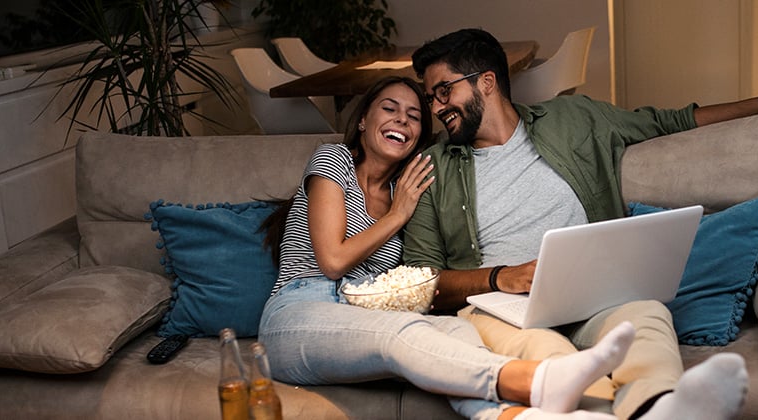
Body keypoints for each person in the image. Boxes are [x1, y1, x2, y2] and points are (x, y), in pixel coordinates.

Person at [404, 28, 758, 420]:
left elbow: (670, 121)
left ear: (486, 81)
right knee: (548, 352)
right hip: (502, 310)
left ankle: (660, 407)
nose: (436, 108)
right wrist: (501, 277)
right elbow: (419, 282)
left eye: (443, 91)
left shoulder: (573, 118)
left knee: (646, 316)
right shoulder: (432, 168)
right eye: (430, 98)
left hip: (593, 297)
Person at [257, 75, 641, 420]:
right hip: (299, 311)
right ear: (362, 121)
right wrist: (397, 215)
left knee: (458, 333)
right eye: (389, 109)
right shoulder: (334, 159)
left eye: (413, 117)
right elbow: (333, 260)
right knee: (400, 332)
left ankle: (520, 417)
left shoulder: (409, 188)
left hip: (366, 316)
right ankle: (539, 379)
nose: (402, 120)